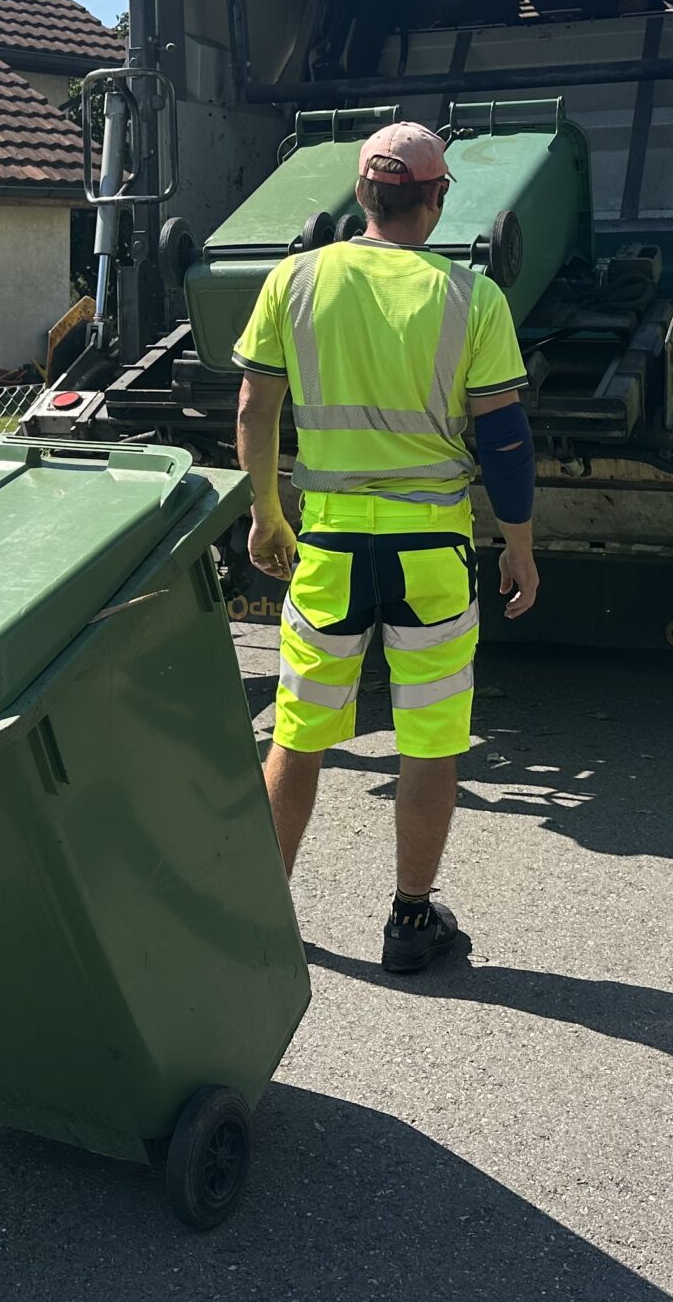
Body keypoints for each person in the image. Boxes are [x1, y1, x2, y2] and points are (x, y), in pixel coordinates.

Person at [232, 122, 541, 972]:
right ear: (437, 198)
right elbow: (505, 442)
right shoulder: (471, 297)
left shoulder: (291, 281)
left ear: (362, 195)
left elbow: (257, 411)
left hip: (327, 546)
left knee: (298, 735)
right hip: (431, 553)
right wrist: (518, 545)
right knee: (431, 736)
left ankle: (262, 921)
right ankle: (410, 923)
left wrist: (266, 514)